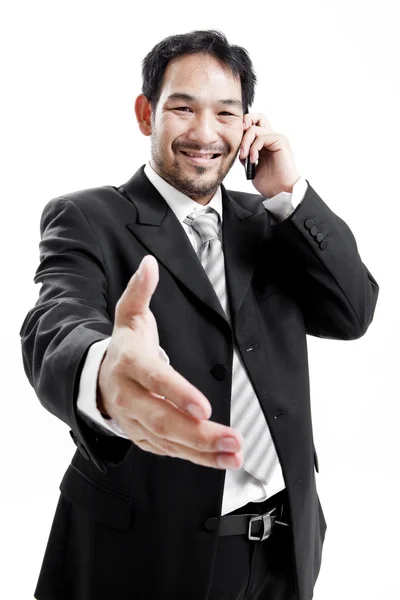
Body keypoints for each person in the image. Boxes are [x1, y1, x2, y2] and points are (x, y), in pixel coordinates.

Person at [19, 29, 379, 600]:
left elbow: (353, 311)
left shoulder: (272, 221)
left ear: (248, 126)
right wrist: (102, 368)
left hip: (282, 547)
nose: (205, 134)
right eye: (182, 109)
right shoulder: (88, 217)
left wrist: (290, 193)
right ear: (147, 113)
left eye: (226, 114)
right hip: (148, 554)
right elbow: (55, 321)